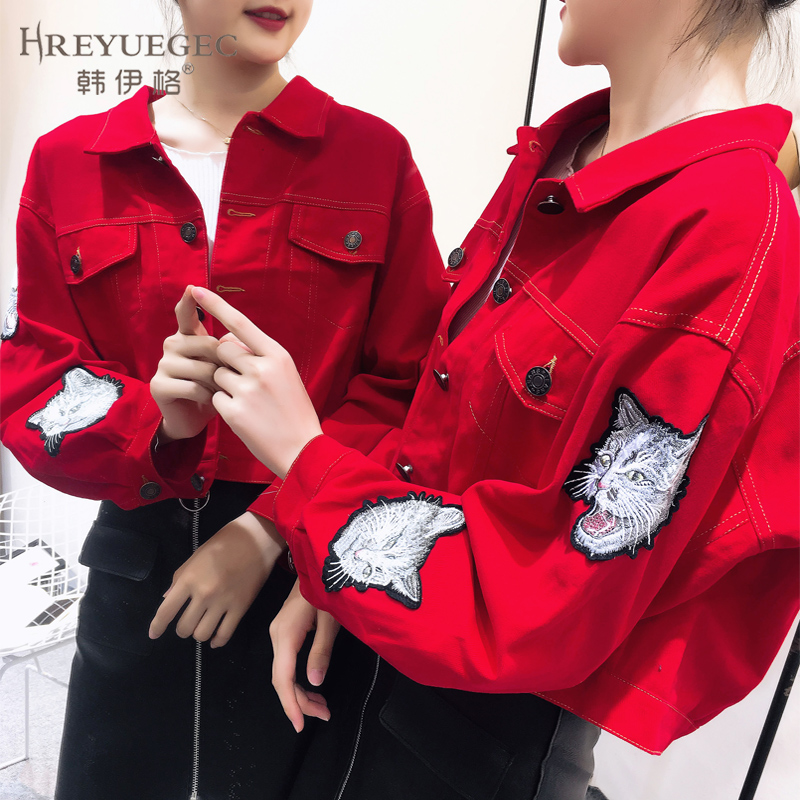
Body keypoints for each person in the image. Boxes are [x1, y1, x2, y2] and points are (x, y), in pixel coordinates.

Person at [186, 0, 800, 797]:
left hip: (477, 741)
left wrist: (307, 464)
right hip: (365, 656)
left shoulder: (728, 225)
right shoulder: (564, 158)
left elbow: (554, 599)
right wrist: (334, 562)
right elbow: (436, 419)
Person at [0, 1, 448, 798]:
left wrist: (267, 528)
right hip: (136, 565)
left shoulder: (371, 158)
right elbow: (38, 374)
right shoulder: (70, 162)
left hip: (309, 574)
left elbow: (409, 383)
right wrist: (156, 422)